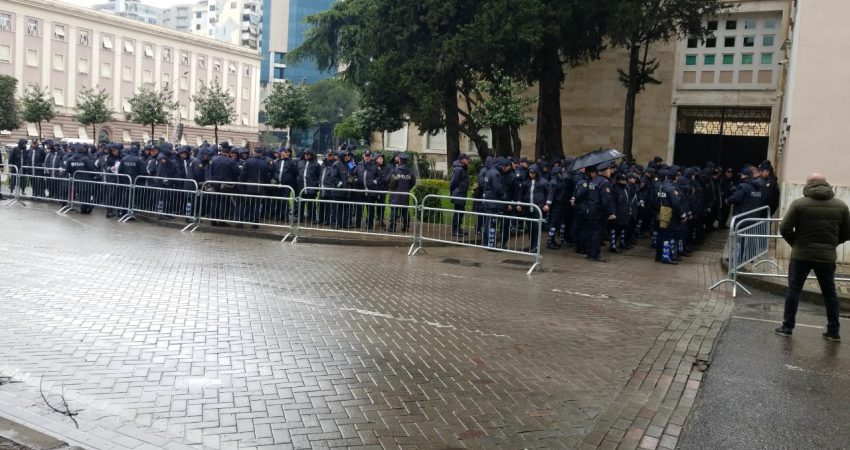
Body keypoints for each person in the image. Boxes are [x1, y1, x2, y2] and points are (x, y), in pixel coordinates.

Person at [775, 174, 850, 342]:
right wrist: (832, 244)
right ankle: (833, 331)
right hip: (826, 257)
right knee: (830, 293)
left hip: (801, 255)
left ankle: (787, 327)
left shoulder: (799, 204)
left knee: (794, 290)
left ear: (808, 184)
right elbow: (847, 232)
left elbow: (784, 228)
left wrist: (796, 243)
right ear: (826, 183)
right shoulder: (841, 206)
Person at [387, 153, 416, 232]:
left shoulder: (395, 171)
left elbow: (390, 182)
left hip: (395, 194)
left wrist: (391, 188)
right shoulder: (410, 171)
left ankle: (392, 227)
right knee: (405, 211)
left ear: (399, 160)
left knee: (394, 211)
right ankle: (406, 227)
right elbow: (413, 182)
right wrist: (407, 188)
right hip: (405, 194)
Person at [449, 154, 471, 237]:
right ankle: (455, 230)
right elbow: (453, 182)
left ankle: (458, 228)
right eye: (467, 159)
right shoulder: (459, 169)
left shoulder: (462, 168)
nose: (468, 160)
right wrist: (452, 192)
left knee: (460, 211)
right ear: (462, 160)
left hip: (461, 193)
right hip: (458, 193)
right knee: (458, 212)